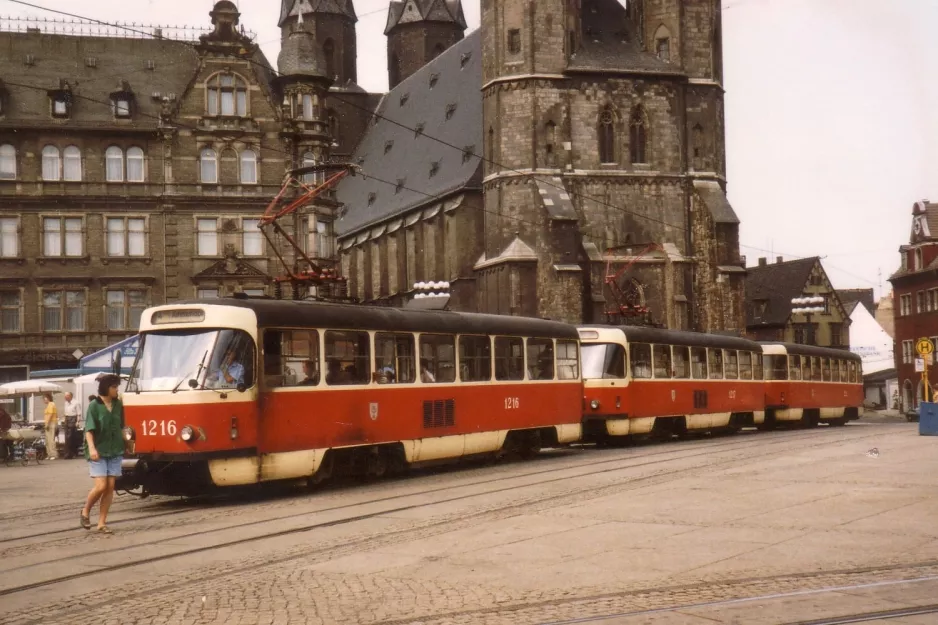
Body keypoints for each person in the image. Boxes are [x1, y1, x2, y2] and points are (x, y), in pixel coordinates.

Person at [81, 375, 124, 534]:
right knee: (101, 486)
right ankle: (85, 511)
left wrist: (129, 443)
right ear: (106, 388)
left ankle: (101, 522)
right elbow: (89, 430)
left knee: (110, 487)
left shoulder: (118, 404)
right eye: (114, 387)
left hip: (115, 449)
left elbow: (122, 426)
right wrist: (92, 449)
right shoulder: (94, 405)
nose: (117, 390)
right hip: (98, 450)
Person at [62, 392, 82, 459]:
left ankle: (71, 453)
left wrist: (77, 422)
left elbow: (79, 413)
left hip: (73, 419)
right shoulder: (66, 403)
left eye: (67, 395)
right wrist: (64, 420)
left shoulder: (76, 403)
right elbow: (65, 413)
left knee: (71, 437)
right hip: (67, 419)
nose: (65, 397)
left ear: (71, 396)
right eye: (65, 396)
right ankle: (68, 453)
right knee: (67, 437)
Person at [42, 393, 57, 460]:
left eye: (44, 398)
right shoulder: (48, 405)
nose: (44, 400)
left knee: (51, 439)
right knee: (47, 440)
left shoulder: (51, 404)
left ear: (48, 398)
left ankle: (53, 454)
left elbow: (50, 415)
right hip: (47, 423)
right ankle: (49, 454)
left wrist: (47, 423)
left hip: (51, 423)